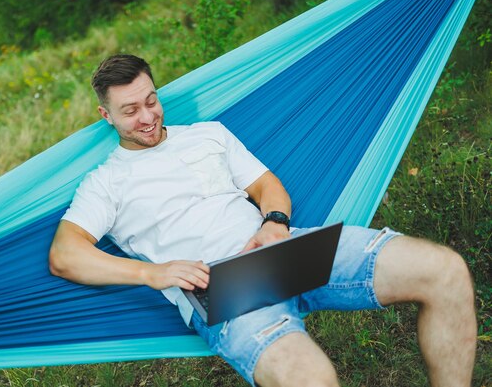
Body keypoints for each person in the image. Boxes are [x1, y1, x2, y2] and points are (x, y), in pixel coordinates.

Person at [49, 54, 476, 387]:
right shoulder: (106, 182)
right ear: (106, 116)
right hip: (219, 286)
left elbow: (267, 185)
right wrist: (151, 272)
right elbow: (66, 255)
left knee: (445, 271)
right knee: (312, 380)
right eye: (130, 111)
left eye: (151, 100)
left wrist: (274, 221)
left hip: (281, 249)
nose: (147, 117)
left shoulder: (208, 134)